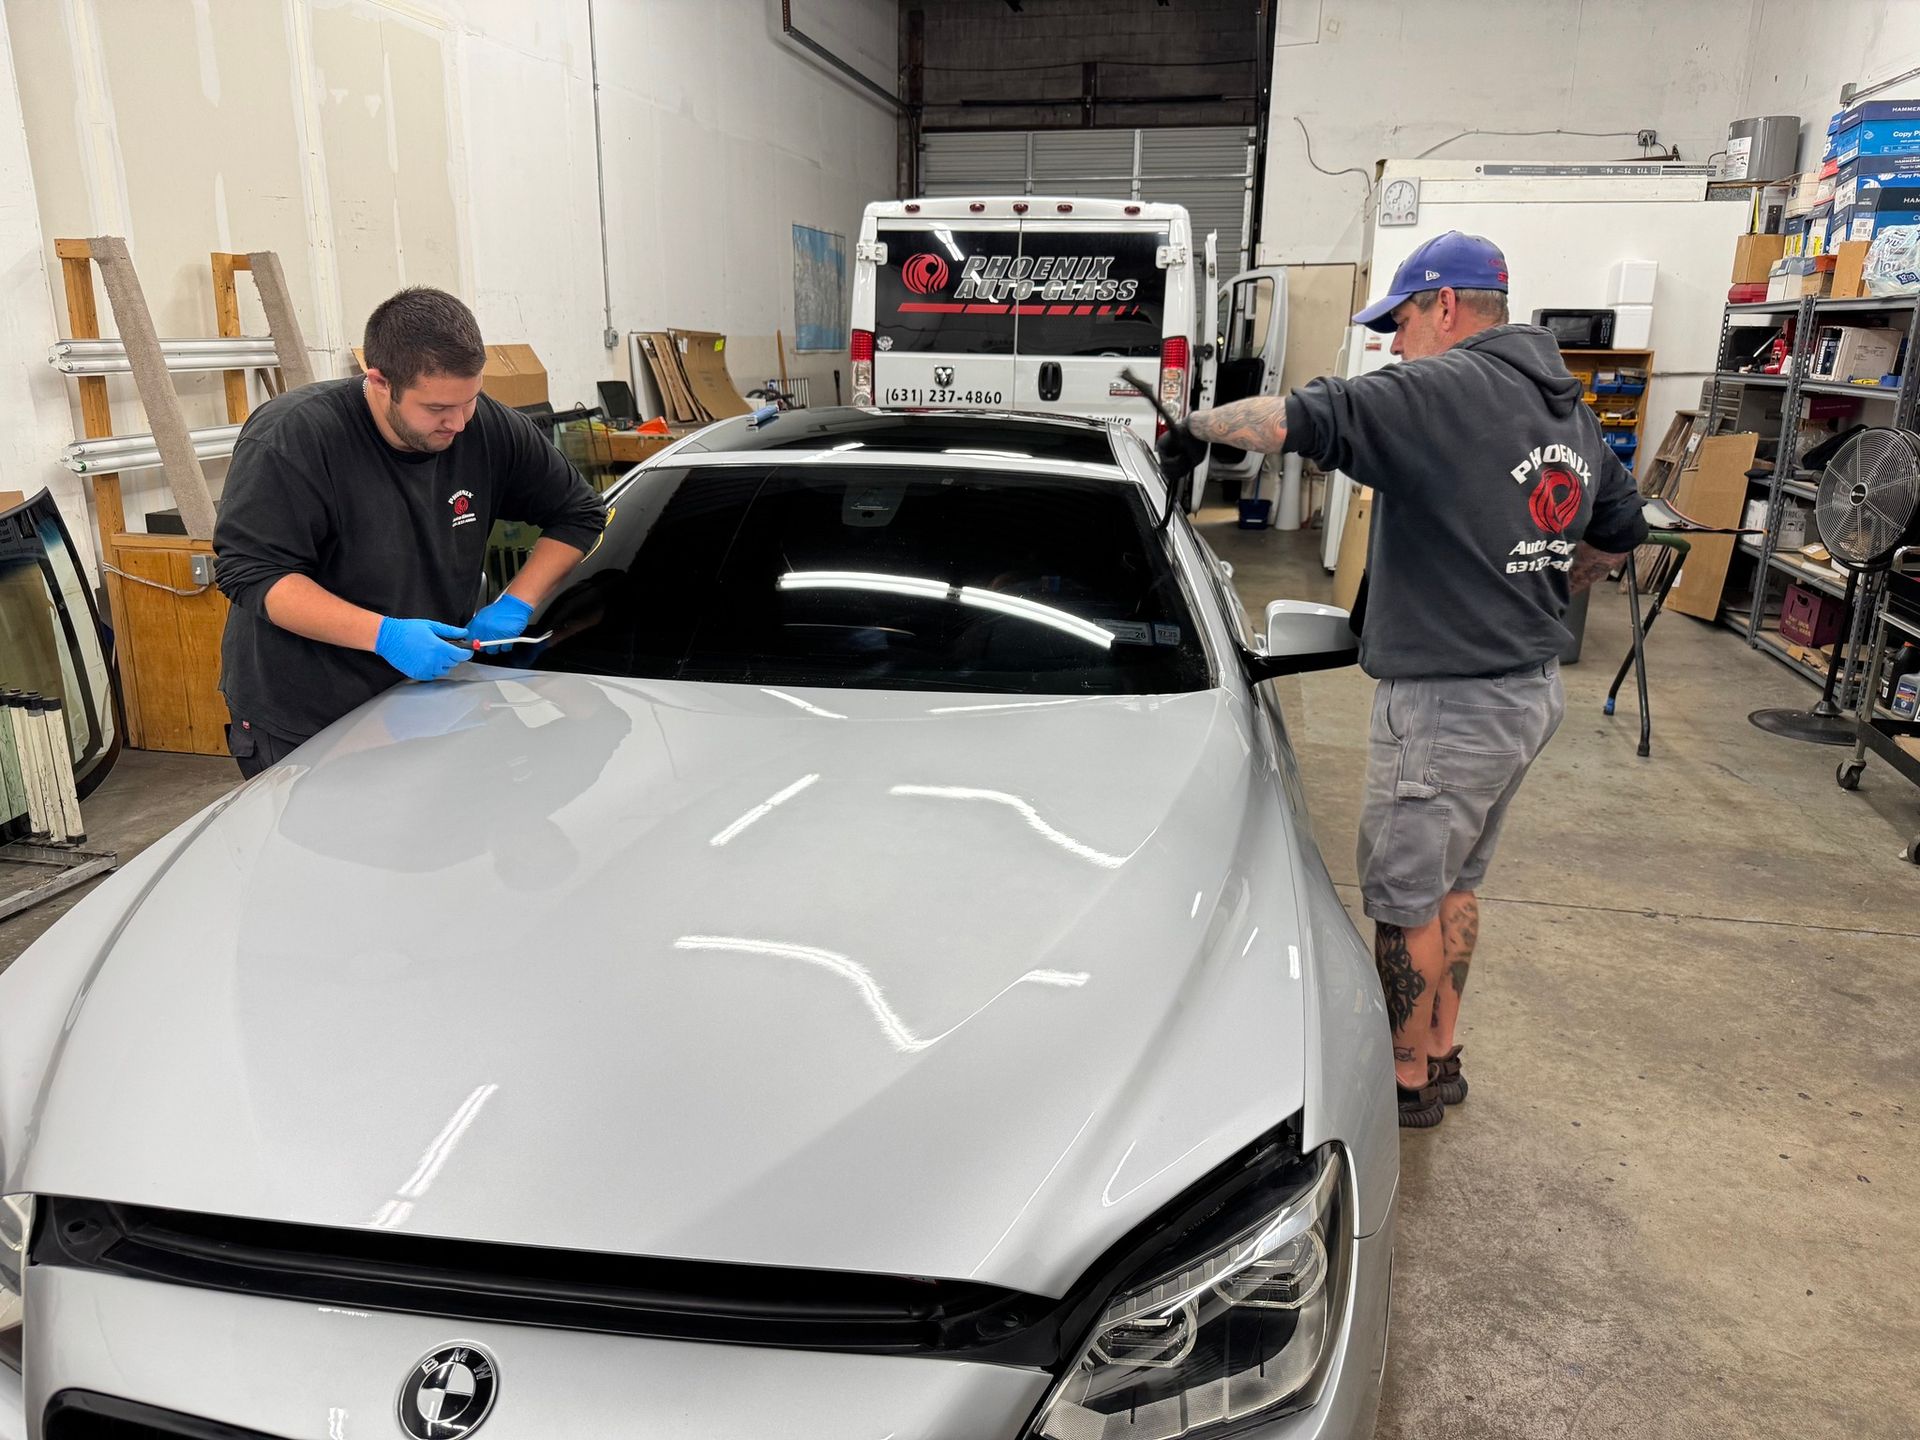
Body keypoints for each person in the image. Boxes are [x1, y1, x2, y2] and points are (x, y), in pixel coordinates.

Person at [1158, 232, 1648, 1128]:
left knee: (1401, 901)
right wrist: (1548, 579)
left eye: (1401, 321)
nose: (1392, 343)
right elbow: (1620, 526)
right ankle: (1443, 1051)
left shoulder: (1441, 390)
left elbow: (1297, 420)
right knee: (1455, 888)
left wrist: (1189, 429)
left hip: (1450, 702)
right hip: (1527, 689)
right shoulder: (1563, 404)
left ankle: (1402, 1078)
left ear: (1447, 309)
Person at [214, 286, 607, 778]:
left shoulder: (486, 426)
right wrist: (383, 635)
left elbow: (579, 513)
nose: (459, 423)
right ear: (379, 382)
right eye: (437, 408)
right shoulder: (294, 438)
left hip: (430, 700)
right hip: (307, 713)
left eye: (470, 400)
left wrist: (517, 602)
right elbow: (253, 574)